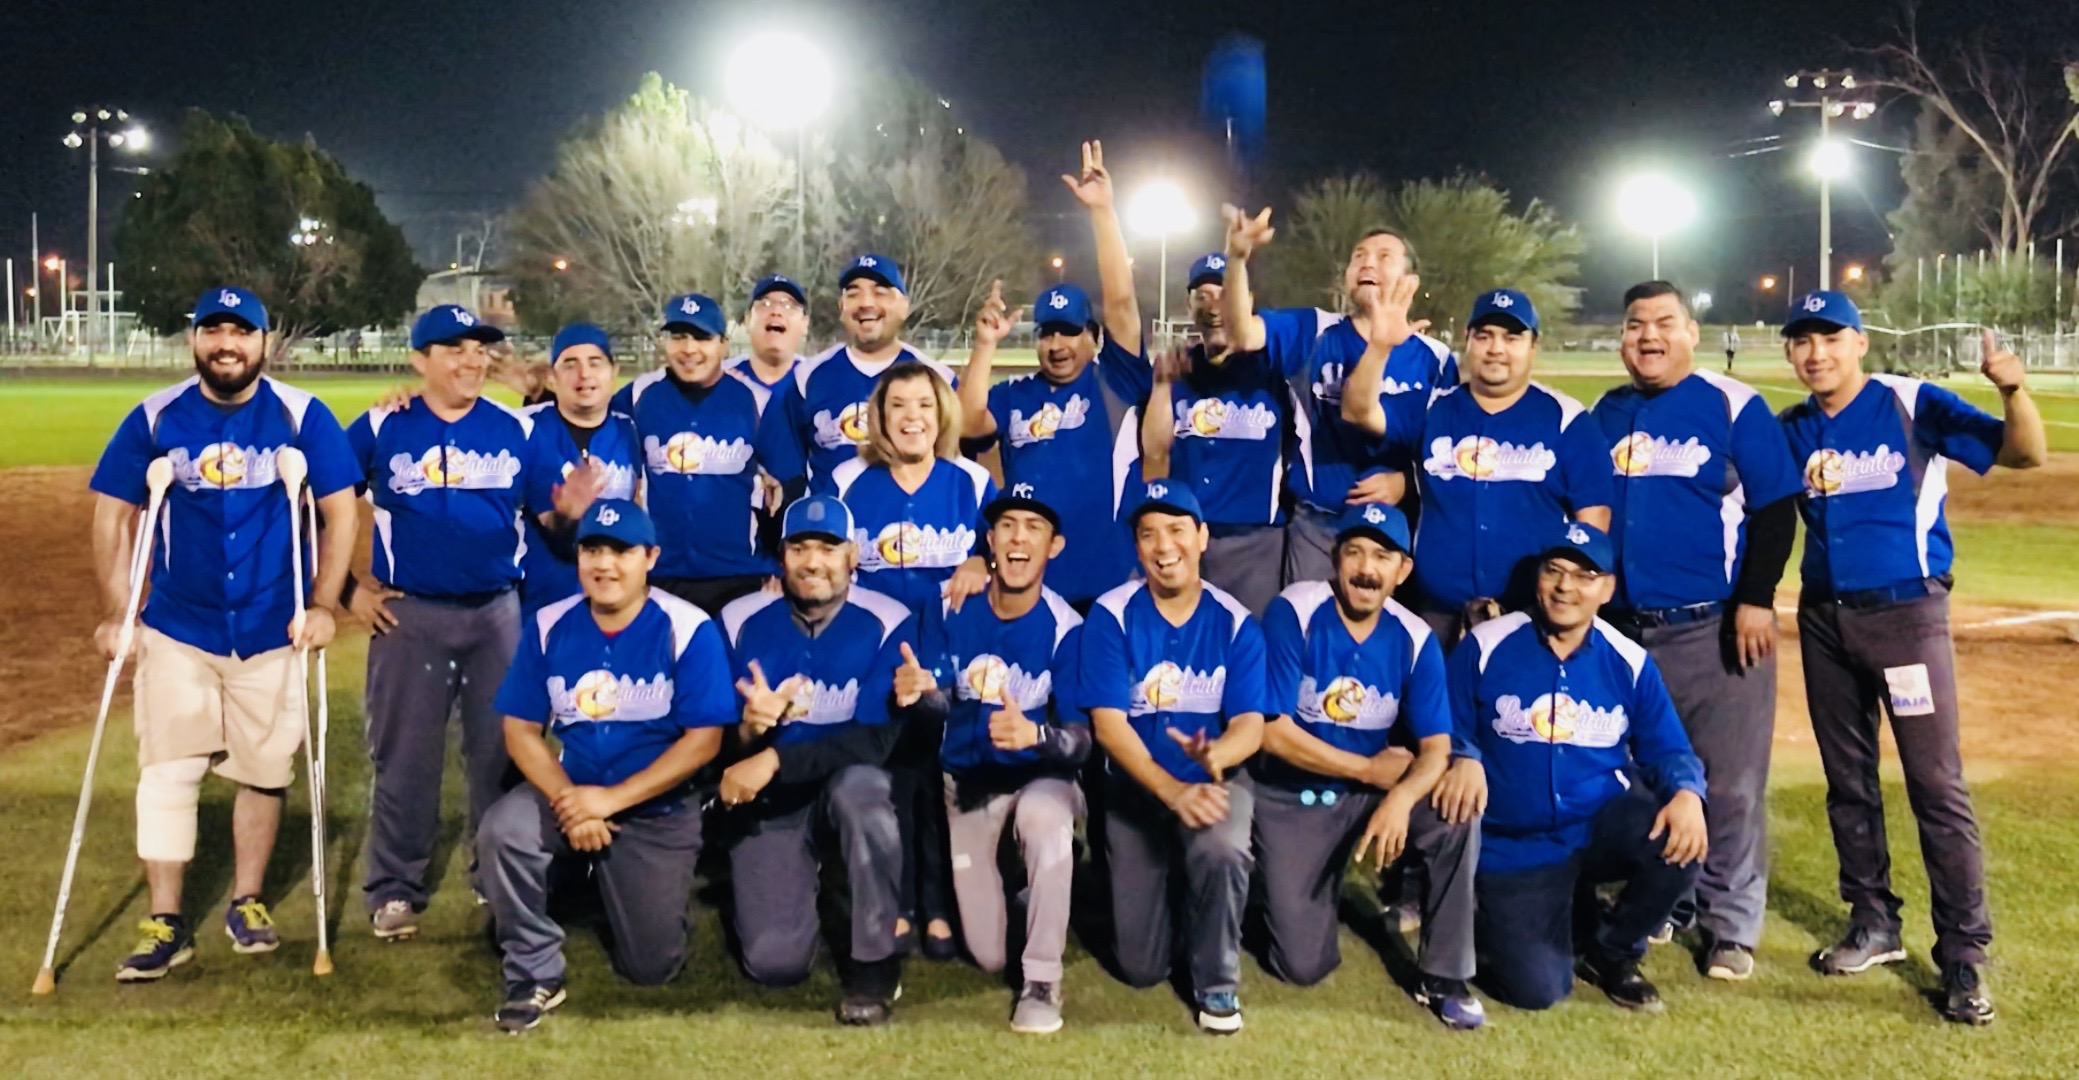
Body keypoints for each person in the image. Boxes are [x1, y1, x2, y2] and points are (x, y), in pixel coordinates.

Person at [1777, 291, 2045, 1025]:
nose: (1816, 354)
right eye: (1802, 341)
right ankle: (1873, 922)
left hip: (1905, 618)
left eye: (1830, 338)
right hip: (1824, 620)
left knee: (1934, 784)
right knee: (1847, 782)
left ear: (1859, 342)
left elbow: (2023, 453)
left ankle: (1963, 953)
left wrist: (2012, 390)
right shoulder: (1792, 427)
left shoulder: (1910, 402)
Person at [88, 286, 360, 981]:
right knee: (168, 770)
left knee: (264, 769)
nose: (227, 344)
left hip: (273, 625)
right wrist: (120, 611)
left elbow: (340, 512)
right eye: (214, 331)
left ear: (264, 343)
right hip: (181, 625)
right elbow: (112, 517)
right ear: (195, 340)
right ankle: (166, 920)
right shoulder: (155, 418)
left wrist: (323, 604)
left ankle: (248, 900)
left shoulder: (302, 416)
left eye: (241, 332)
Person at [1589, 281, 1802, 980]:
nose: (1647, 335)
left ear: (1691, 333)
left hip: (1712, 628)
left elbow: (1776, 507)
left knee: (1731, 783)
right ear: (1622, 340)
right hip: (1624, 634)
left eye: (1663, 322)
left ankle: (1730, 925)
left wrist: (1755, 599)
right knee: (1644, 777)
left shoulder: (1732, 404)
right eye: (1634, 324)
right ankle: (1665, 899)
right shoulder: (1606, 413)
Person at [477, 499, 735, 1033]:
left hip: (657, 808)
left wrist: (609, 802)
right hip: (572, 791)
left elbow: (704, 741)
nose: (605, 564)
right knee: (504, 829)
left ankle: (591, 880)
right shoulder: (550, 624)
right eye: (593, 550)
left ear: (650, 558)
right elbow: (520, 730)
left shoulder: (688, 627)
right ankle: (532, 968)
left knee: (651, 966)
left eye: (621, 552)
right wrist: (572, 804)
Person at [1450, 523, 1708, 1013]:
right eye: (1555, 571)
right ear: (1538, 578)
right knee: (1536, 991)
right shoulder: (1487, 645)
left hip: (1599, 825)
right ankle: (1522, 916)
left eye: (1584, 576)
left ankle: (1614, 954)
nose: (1565, 587)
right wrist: (1464, 756)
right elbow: (1443, 722)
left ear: (1607, 589)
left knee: (1681, 837)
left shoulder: (1627, 660)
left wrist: (1688, 793)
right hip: (1516, 844)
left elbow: (1669, 748)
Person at [344, 303, 534, 940]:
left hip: (496, 614)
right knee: (405, 758)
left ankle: (497, 874)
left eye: (480, 349)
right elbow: (316, 502)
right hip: (411, 616)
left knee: (502, 752)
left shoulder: (514, 428)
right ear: (419, 360)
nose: (472, 360)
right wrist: (346, 591)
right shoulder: (382, 425)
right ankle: (395, 885)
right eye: (455, 349)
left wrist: (569, 508)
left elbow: (552, 514)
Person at [1254, 503, 1481, 1029]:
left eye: (1382, 556)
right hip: (1295, 796)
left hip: (1371, 794)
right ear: (1335, 559)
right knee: (1300, 966)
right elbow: (1270, 731)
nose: (1366, 568)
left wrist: (1400, 798)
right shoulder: (1295, 611)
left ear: (1403, 571)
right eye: (1354, 552)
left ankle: (1444, 974)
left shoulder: (1415, 637)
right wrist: (1364, 770)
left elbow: (1436, 749)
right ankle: (1287, 885)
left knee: (1455, 812)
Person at [716, 494, 929, 1026]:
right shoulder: (737, 620)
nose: (813, 562)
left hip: (846, 788)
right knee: (774, 964)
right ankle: (811, 879)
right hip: (772, 804)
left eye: (829, 548)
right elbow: (715, 741)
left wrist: (774, 759)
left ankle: (875, 963)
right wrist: (747, 732)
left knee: (864, 791)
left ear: (852, 556)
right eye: (800, 548)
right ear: (781, 556)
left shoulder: (889, 620)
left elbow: (874, 742)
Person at [818, 360, 993, 958]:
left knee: (933, 773)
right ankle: (901, 900)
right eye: (898, 405)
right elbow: (820, 553)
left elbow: (1002, 549)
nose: (912, 417)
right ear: (880, 416)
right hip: (872, 658)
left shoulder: (971, 481)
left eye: (924, 404)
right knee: (891, 774)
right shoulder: (846, 479)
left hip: (949, 655)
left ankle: (936, 901)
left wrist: (982, 560)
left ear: (942, 413)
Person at [1081, 481, 1268, 1034]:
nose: (1164, 546)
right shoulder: (1111, 614)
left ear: (1203, 537)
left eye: (1177, 530)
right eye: (1149, 534)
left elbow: (1251, 725)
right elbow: (1109, 727)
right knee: (1140, 968)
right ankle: (1186, 905)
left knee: (1222, 848)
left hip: (1211, 785)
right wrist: (1171, 790)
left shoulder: (1236, 620)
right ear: (1137, 547)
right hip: (1136, 792)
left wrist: (1217, 756)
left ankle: (1217, 982)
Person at [1343, 288, 1613, 646]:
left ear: (1533, 346)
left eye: (1511, 338)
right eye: (1484, 336)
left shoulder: (1568, 420)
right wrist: (1379, 347)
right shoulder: (1432, 407)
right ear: (1467, 340)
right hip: (1438, 615)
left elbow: (1592, 523)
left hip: (1529, 618)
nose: (1496, 348)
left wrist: (1571, 609)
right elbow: (1357, 411)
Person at [916, 485, 1090, 1034]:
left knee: (1043, 819)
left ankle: (1042, 981)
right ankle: (1036, 885)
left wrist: (1035, 735)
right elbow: (936, 702)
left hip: (1040, 780)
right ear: (989, 540)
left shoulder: (1066, 627)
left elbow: (1081, 741)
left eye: (1034, 528)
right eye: (1008, 525)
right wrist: (920, 695)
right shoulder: (949, 604)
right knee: (989, 954)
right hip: (968, 786)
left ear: (1053, 546)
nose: (1019, 538)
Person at [957, 141, 1153, 611]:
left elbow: (1122, 305)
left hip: (1109, 584)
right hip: (1031, 588)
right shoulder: (1015, 394)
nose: (1057, 344)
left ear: (1093, 337)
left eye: (1070, 332)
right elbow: (967, 423)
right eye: (1047, 333)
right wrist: (985, 344)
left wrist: (1103, 212)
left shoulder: (1115, 384)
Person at [1215, 205, 1457, 583]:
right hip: (1319, 527)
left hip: (1394, 532)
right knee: (1307, 618)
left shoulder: (1436, 359)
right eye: (1358, 256)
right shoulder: (1312, 330)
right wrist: (1236, 259)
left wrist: (1407, 483)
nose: (1367, 263)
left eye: (1384, 257)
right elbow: (1240, 334)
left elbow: (1448, 451)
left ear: (1409, 280)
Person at [616, 292, 803, 616]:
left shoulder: (756, 400)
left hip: (740, 574)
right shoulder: (637, 395)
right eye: (679, 337)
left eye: (702, 337)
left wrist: (779, 562)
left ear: (723, 345)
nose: (689, 349)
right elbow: (589, 425)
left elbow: (790, 486)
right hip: (659, 573)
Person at [1137, 252, 1291, 616]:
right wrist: (1162, 386)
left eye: (1224, 294)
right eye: (1202, 296)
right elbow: (1155, 450)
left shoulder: (1276, 369)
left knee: (1249, 637)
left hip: (1253, 540)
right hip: (1184, 535)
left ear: (1246, 302)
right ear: (1189, 306)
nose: (1214, 306)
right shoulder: (1180, 369)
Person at [775, 254, 958, 483]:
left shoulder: (937, 379)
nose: (866, 303)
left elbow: (956, 463)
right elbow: (786, 469)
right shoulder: (806, 377)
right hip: (833, 506)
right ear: (842, 307)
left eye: (880, 292)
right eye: (853, 294)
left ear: (904, 307)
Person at [518, 323, 641, 620]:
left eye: (595, 363)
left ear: (613, 372)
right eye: (570, 364)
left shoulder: (630, 429)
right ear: (551, 376)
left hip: (616, 600)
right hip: (542, 601)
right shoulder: (524, 428)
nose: (584, 374)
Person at [724, 275, 810, 393]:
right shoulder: (718, 379)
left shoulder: (820, 383)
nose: (776, 311)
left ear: (805, 324)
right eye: (766, 304)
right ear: (748, 320)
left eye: (788, 305)